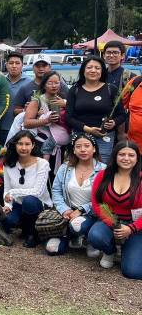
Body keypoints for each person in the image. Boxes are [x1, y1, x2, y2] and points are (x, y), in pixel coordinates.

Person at [88, 140, 142, 279]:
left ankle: (128, 248)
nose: (126, 158)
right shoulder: (103, 175)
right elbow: (97, 203)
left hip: (136, 226)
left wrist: (131, 228)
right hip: (110, 220)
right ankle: (111, 250)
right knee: (95, 236)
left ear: (137, 158)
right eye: (121, 154)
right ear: (115, 156)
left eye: (131, 155)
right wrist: (115, 225)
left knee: (133, 272)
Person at [46, 133, 105, 256]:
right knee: (52, 249)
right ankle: (69, 236)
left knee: (77, 225)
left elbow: (103, 198)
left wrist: (81, 209)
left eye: (86, 146)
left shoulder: (104, 170)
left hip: (92, 213)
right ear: (74, 150)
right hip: (67, 213)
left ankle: (89, 237)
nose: (82, 149)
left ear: (94, 149)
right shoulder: (65, 167)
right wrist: (64, 210)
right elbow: (56, 191)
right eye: (78, 146)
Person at [66, 56, 126, 162]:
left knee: (100, 169)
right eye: (89, 67)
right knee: (79, 167)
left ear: (102, 71)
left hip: (104, 138)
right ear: (83, 70)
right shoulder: (74, 90)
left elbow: (122, 115)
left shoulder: (111, 89)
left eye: (97, 68)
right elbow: (69, 118)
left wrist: (114, 123)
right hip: (80, 137)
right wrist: (89, 130)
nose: (93, 70)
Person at [2, 130, 52, 247]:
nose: (23, 147)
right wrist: (8, 205)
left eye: (27, 144)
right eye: (20, 144)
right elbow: (7, 189)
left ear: (33, 145)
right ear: (15, 145)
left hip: (37, 203)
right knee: (8, 222)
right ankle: (24, 224)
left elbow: (37, 192)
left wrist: (13, 193)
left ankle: (33, 234)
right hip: (18, 204)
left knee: (29, 201)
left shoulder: (42, 164)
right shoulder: (8, 164)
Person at [23, 71, 70, 165]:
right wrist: (47, 120)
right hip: (41, 144)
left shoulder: (64, 99)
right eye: (50, 83)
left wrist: (66, 105)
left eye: (57, 83)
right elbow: (27, 123)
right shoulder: (37, 100)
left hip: (61, 143)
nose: (54, 86)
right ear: (44, 85)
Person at [0, 52, 29, 145]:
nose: (14, 66)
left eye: (17, 63)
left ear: (22, 65)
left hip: (21, 129)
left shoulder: (30, 83)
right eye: (11, 63)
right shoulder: (0, 81)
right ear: (6, 65)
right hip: (0, 128)